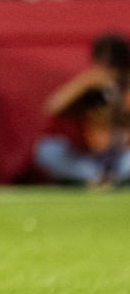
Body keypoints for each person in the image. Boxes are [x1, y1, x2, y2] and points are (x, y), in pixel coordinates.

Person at [33, 33, 130, 188]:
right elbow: (51, 108)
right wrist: (86, 82)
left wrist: (117, 95)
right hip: (91, 160)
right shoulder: (90, 87)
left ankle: (113, 178)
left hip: (123, 157)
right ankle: (96, 177)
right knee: (47, 150)